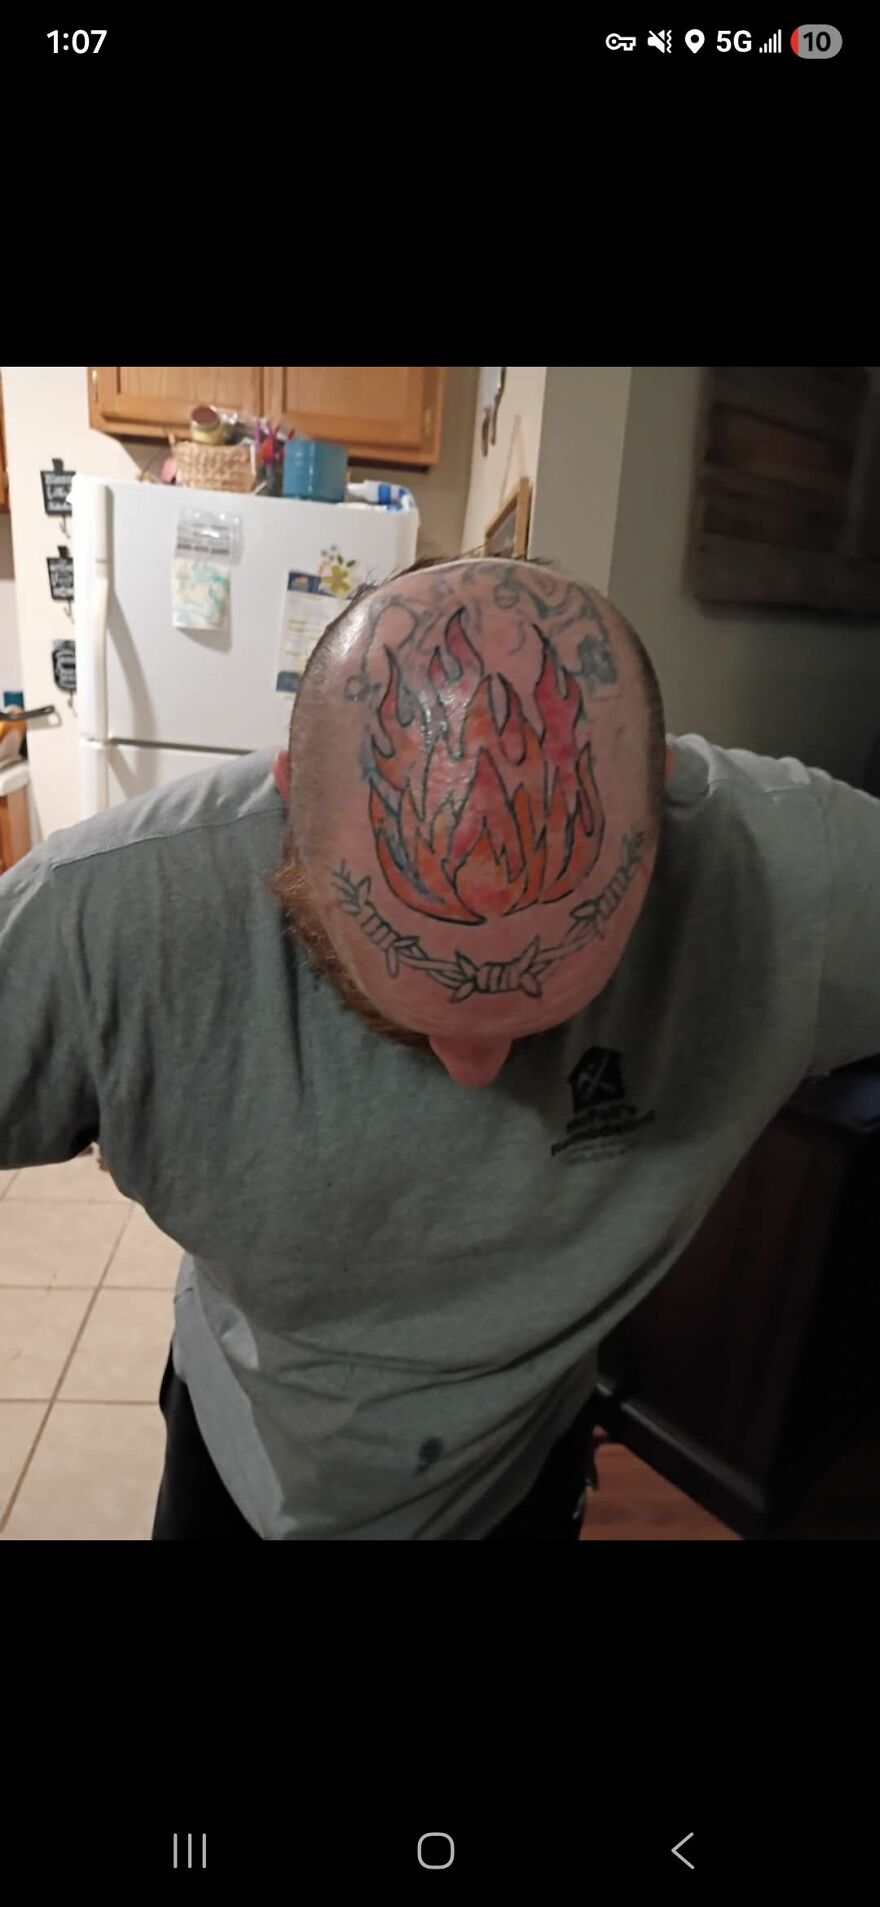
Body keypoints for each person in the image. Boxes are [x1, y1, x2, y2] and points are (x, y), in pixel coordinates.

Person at [2, 556, 880, 1540]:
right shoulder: (110, 916)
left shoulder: (793, 871)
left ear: (661, 801)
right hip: (246, 1448)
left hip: (519, 1471)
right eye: (415, 1009)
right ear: (292, 800)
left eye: (541, 1007)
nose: (476, 1072)